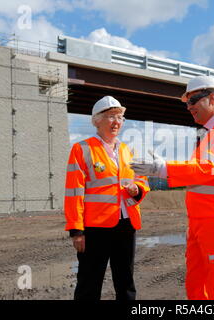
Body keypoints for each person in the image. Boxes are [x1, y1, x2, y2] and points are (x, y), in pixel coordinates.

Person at [131, 75, 214, 300]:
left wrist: (163, 168)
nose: (189, 107)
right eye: (186, 103)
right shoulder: (208, 136)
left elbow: (210, 167)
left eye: (193, 101)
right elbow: (198, 174)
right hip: (201, 221)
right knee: (196, 282)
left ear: (213, 98)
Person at [64, 96, 150, 300]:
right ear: (97, 120)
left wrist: (136, 189)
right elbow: (74, 192)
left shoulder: (129, 151)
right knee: (89, 284)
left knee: (126, 283)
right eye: (111, 116)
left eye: (120, 117)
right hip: (95, 228)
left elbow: (143, 181)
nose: (117, 122)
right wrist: (76, 230)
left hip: (127, 224)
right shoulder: (82, 149)